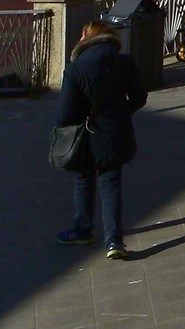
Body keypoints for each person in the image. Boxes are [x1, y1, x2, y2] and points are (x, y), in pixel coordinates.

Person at [55, 20, 145, 260]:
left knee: (83, 179)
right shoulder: (124, 62)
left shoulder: (75, 68)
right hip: (115, 133)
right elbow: (139, 97)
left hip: (85, 135)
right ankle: (114, 241)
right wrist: (121, 113)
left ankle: (83, 230)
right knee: (111, 183)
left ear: (86, 35)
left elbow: (64, 114)